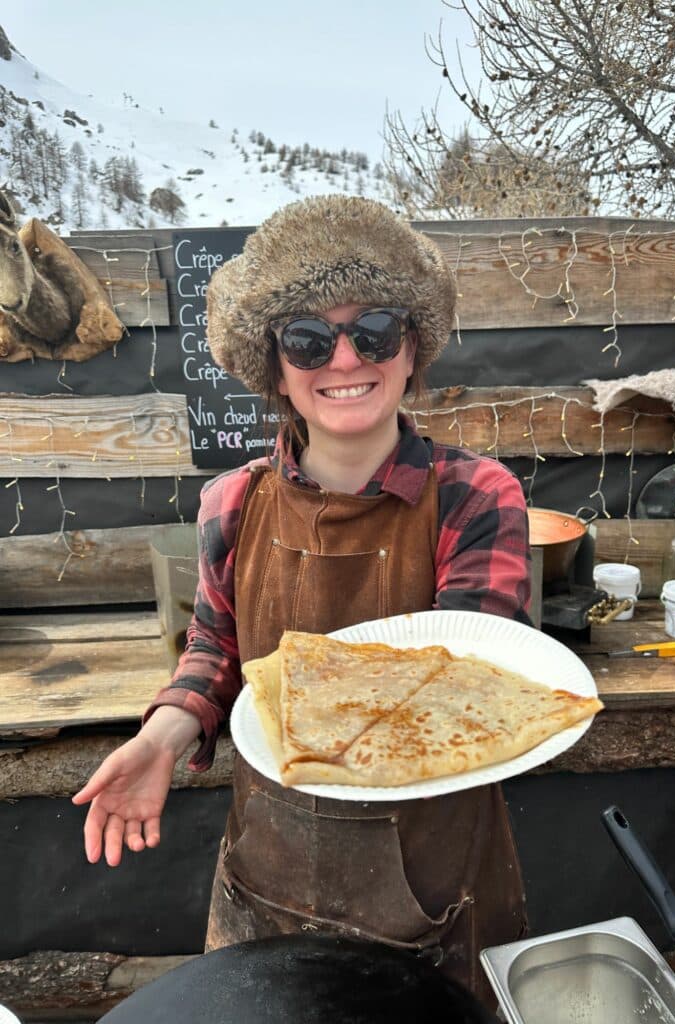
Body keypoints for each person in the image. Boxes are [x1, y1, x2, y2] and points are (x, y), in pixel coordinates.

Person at [73, 195, 532, 1009]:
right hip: (268, 868)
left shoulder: (475, 494)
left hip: (433, 879)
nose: (346, 359)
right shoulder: (230, 503)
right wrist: (162, 735)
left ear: (412, 346)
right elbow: (214, 653)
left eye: (376, 330)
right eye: (309, 339)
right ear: (276, 364)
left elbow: (473, 671)